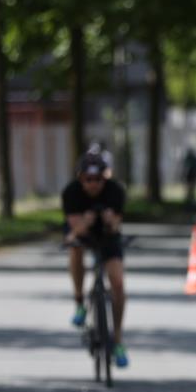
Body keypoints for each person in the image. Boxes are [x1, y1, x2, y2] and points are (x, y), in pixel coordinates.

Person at [62, 152, 129, 368]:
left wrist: (110, 221)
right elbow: (74, 230)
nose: (93, 184)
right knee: (75, 250)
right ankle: (80, 302)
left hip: (107, 236)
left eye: (98, 179)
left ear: (104, 178)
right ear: (80, 178)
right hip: (82, 233)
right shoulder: (71, 193)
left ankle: (117, 340)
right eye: (88, 180)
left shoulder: (115, 191)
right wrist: (87, 221)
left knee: (118, 283)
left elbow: (117, 225)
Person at [181, 147, 196, 213]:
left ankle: (191, 206)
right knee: (190, 192)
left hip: (191, 178)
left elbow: (185, 169)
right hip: (191, 178)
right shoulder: (193, 159)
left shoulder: (190, 159)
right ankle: (190, 205)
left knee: (190, 192)